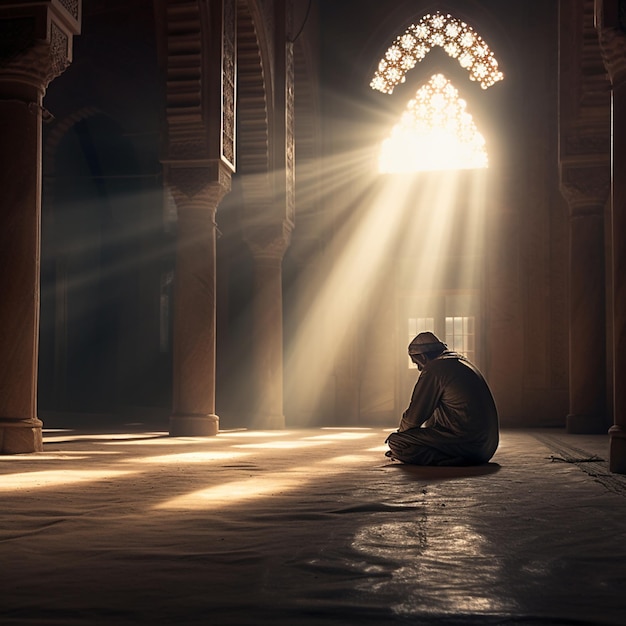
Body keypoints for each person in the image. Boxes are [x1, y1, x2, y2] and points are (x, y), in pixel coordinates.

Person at [385, 331, 499, 466]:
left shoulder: (434, 368)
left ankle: (447, 460)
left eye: (417, 363)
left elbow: (413, 418)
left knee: (396, 442)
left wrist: (402, 436)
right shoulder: (461, 361)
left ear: (422, 357)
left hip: (468, 445)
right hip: (487, 449)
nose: (419, 368)